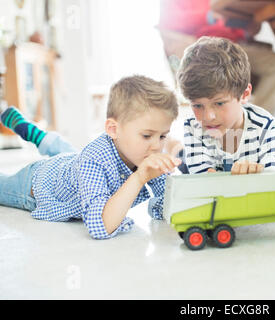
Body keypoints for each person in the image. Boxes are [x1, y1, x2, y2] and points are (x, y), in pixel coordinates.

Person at [0, 75, 181, 239]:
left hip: (72, 163)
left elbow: (164, 207)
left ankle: (37, 135)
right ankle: (30, 131)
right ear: (113, 129)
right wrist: (139, 177)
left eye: (163, 136)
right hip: (38, 182)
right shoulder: (93, 159)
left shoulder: (144, 151)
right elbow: (100, 226)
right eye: (147, 136)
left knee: (72, 155)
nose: (157, 145)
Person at [177, 36, 275, 207]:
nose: (208, 117)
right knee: (180, 165)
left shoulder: (267, 127)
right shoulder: (193, 126)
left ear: (244, 95)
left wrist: (258, 177)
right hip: (193, 162)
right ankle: (175, 148)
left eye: (219, 103)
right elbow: (201, 189)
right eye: (197, 105)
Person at [158, 0, 275, 115]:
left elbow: (238, 30)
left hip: (233, 45)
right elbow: (170, 20)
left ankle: (255, 127)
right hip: (197, 44)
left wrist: (246, 28)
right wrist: (206, 16)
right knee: (216, 69)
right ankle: (226, 132)